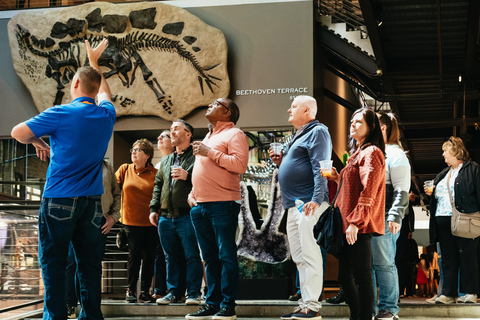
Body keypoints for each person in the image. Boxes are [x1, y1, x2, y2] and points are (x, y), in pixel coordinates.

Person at [11, 39, 115, 320]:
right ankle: (91, 316)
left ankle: (55, 317)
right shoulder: (107, 115)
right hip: (92, 202)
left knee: (54, 263)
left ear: (76, 85)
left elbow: (17, 132)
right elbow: (105, 92)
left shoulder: (60, 113)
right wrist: (94, 63)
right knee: (89, 264)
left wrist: (37, 141)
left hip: (59, 199)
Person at [186, 98, 249, 320]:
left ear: (227, 112)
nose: (210, 104)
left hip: (222, 204)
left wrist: (209, 152)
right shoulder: (209, 135)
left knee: (226, 256)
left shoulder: (235, 134)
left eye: (217, 103)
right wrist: (192, 194)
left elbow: (240, 165)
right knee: (210, 258)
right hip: (200, 206)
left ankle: (227, 306)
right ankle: (211, 304)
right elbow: (202, 169)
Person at [270, 95, 331, 320]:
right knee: (299, 256)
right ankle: (304, 303)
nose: (289, 110)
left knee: (310, 254)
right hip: (294, 205)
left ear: (307, 111)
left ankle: (312, 306)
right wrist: (281, 163)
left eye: (293, 106)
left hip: (308, 203)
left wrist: (316, 199)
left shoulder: (318, 131)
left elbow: (320, 167)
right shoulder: (299, 135)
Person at [322, 108, 385, 320]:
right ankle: (357, 315)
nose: (353, 124)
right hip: (347, 224)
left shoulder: (372, 153)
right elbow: (353, 187)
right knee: (346, 277)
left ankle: (364, 316)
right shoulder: (358, 153)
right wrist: (337, 177)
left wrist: (356, 222)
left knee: (362, 276)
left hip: (357, 226)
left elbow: (369, 189)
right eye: (352, 121)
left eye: (358, 121)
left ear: (372, 126)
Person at [149, 120, 203, 305]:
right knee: (170, 257)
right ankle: (173, 292)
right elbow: (158, 186)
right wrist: (154, 208)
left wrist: (188, 176)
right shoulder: (165, 160)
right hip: (165, 217)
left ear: (188, 134)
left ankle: (193, 293)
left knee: (192, 256)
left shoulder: (197, 157)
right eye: (171, 129)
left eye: (176, 128)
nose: (172, 131)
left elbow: (204, 180)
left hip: (187, 214)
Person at [426, 136, 480, 304]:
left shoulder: (473, 169)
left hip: (465, 219)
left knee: (467, 256)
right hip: (442, 221)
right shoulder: (444, 173)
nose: (443, 154)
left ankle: (470, 292)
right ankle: (448, 294)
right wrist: (431, 192)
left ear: (455, 151)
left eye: (445, 151)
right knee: (448, 258)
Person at [66, 159, 121, 318]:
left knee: (93, 268)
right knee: (75, 265)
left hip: (99, 221)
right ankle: (76, 306)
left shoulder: (106, 166)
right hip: (76, 221)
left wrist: (113, 217)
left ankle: (90, 312)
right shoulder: (76, 161)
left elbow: (116, 194)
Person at [370, 112, 410, 320]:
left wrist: (395, 215)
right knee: (370, 263)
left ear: (382, 127)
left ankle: (389, 309)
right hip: (369, 217)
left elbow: (402, 188)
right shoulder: (375, 151)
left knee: (384, 263)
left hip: (385, 216)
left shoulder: (395, 154)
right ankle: (371, 307)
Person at [116, 139, 158, 303]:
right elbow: (112, 189)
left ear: (147, 155)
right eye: (132, 149)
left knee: (149, 257)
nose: (134, 152)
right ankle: (130, 291)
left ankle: (145, 292)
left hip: (151, 222)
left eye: (138, 150)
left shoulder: (155, 173)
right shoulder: (125, 169)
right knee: (134, 257)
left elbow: (160, 196)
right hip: (130, 222)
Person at [153, 130, 174, 300]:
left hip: (180, 215)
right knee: (161, 253)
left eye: (164, 136)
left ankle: (182, 290)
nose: (159, 138)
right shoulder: (157, 166)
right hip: (162, 216)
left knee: (182, 253)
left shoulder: (182, 160)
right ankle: (160, 289)